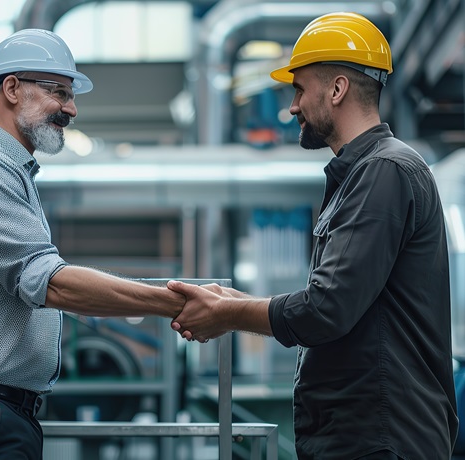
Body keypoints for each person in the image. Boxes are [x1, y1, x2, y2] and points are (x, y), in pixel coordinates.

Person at [169, 12, 458, 459]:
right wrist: (232, 305)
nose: (292, 107)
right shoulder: (363, 176)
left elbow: (327, 308)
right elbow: (340, 305)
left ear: (338, 88)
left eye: (300, 89)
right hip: (364, 436)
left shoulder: (383, 171)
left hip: (380, 439)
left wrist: (230, 314)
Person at [0, 29, 185, 460]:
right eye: (59, 92)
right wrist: (175, 302)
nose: (71, 109)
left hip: (4, 410)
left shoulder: (16, 176)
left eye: (71, 96)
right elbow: (47, 282)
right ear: (12, 89)